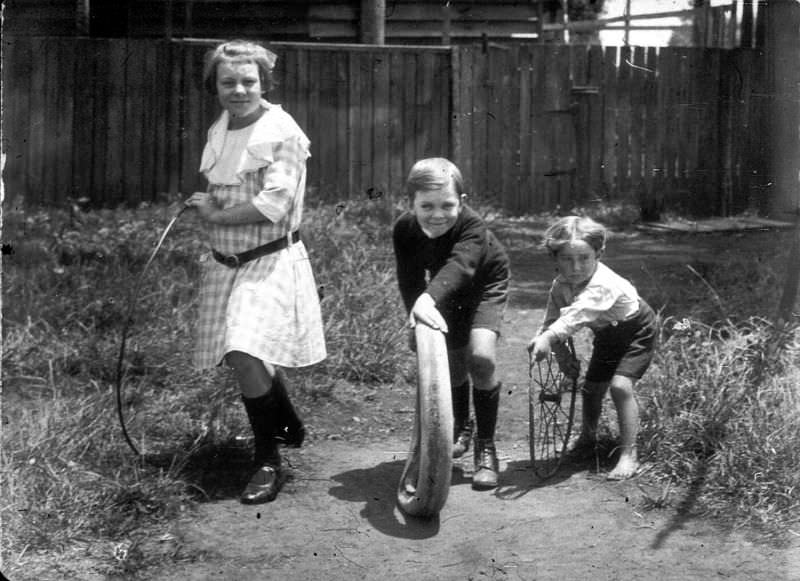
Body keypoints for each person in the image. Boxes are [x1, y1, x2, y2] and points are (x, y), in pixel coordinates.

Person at [185, 40, 326, 504]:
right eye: (229, 82)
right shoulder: (221, 129)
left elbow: (273, 204)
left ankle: (268, 459)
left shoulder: (282, 131)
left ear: (265, 83)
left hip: (269, 259)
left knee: (245, 351)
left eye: (249, 81)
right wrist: (209, 204)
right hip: (226, 263)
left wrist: (215, 216)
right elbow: (225, 190)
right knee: (241, 355)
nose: (240, 90)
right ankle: (286, 423)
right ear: (215, 86)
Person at [393, 158, 510, 490]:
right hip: (443, 291)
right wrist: (415, 316)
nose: (437, 214)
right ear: (411, 204)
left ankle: (486, 448)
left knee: (481, 358)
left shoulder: (474, 227)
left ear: (462, 201)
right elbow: (410, 279)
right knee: (453, 362)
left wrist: (429, 298)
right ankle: (461, 426)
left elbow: (462, 265)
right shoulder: (404, 229)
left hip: (483, 283)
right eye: (426, 205)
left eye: (447, 204)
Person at [528, 216, 656, 480]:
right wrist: (562, 358)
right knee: (591, 389)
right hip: (607, 334)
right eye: (566, 259)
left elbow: (576, 316)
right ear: (555, 258)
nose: (576, 267)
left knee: (620, 386)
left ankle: (628, 455)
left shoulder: (602, 284)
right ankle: (587, 439)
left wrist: (548, 338)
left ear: (599, 253)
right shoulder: (560, 285)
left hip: (636, 330)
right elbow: (552, 322)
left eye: (584, 258)